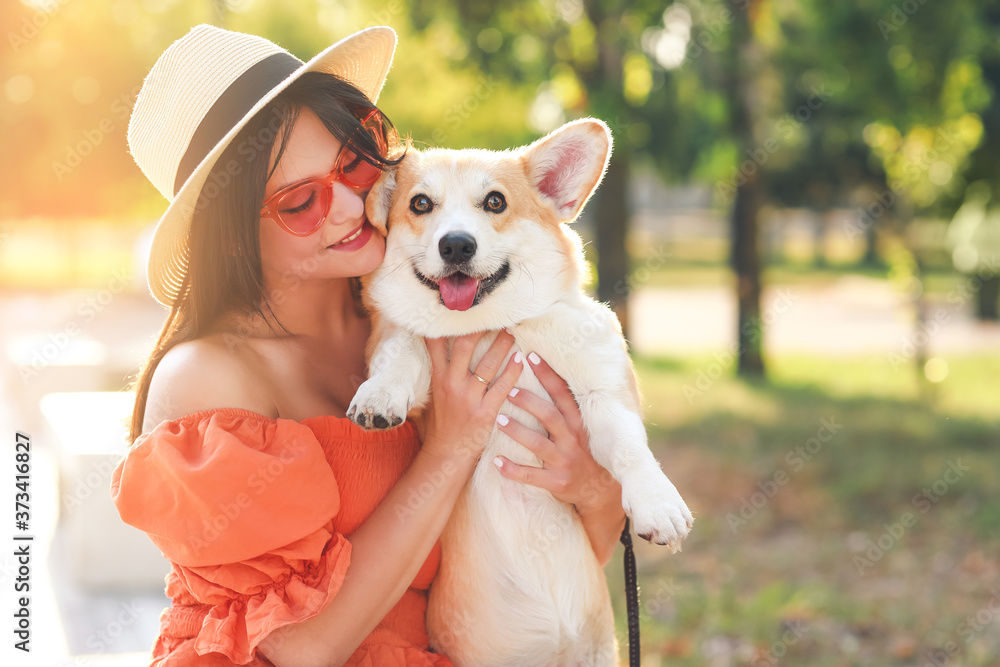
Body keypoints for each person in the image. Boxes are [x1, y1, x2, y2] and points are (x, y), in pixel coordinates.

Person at [111, 23, 627, 667]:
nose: (352, 207)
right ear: (235, 238)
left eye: (353, 163)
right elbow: (302, 648)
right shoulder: (208, 379)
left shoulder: (440, 309)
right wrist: (450, 447)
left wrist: (592, 486)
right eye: (301, 201)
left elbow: (573, 560)